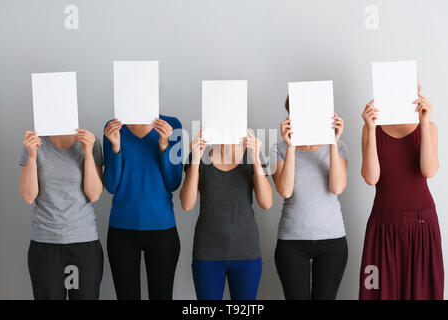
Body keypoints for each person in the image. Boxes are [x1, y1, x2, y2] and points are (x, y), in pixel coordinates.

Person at [359, 89, 444, 299]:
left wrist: (423, 122)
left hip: (422, 226)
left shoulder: (430, 127)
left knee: (424, 293)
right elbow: (371, 178)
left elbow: (429, 170)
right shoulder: (372, 129)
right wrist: (370, 128)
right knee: (375, 291)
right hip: (382, 227)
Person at [270, 97, 349, 300]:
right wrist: (290, 147)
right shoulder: (279, 149)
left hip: (332, 241)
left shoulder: (339, 147)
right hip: (291, 242)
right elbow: (285, 191)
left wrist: (332, 142)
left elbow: (337, 187)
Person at [180, 129, 272, 300]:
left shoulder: (253, 156)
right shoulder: (199, 157)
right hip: (207, 253)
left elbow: (266, 203)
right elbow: (187, 204)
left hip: (246, 253)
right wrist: (195, 159)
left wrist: (256, 159)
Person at [103, 116, 183, 300]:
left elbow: (173, 182)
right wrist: (116, 147)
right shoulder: (113, 126)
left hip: (162, 229)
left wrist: (164, 145)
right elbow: (111, 186)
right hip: (121, 230)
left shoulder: (173, 126)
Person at [19, 129, 104, 300]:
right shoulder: (34, 142)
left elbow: (94, 195)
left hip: (83, 243)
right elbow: (28, 196)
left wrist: (88, 153)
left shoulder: (89, 140)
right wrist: (32, 157)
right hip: (45, 243)